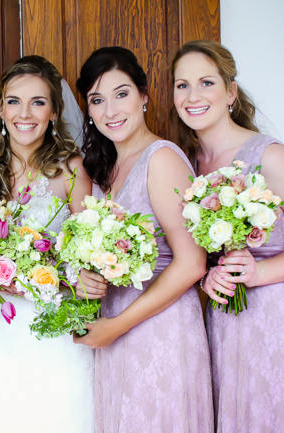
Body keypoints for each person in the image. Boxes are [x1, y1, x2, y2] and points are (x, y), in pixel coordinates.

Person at [172, 39, 284, 433]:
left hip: (274, 330)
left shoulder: (269, 156)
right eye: (182, 85)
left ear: (230, 92)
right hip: (221, 333)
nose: (193, 96)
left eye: (206, 83)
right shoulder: (186, 165)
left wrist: (259, 273)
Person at [73, 46, 214, 433]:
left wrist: (117, 326)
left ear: (144, 96)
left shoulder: (162, 158)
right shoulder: (105, 169)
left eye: (121, 94)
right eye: (97, 100)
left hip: (161, 331)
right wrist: (88, 279)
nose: (110, 111)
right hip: (116, 332)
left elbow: (192, 263)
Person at [0, 55, 94, 433]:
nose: (26, 113)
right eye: (14, 101)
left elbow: (86, 252)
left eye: (38, 102)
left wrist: (53, 276)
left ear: (54, 112)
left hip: (53, 327)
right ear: (1, 110)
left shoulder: (72, 170)